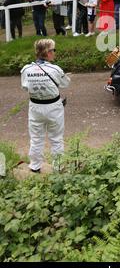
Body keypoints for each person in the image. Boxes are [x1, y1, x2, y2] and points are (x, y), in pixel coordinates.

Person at [21, 39, 71, 172]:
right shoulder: (55, 69)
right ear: (48, 53)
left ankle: (35, 166)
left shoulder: (26, 69)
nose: (54, 53)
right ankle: (58, 167)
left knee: (36, 138)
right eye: (53, 50)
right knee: (56, 138)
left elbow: (25, 87)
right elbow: (65, 84)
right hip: (54, 107)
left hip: (35, 107)